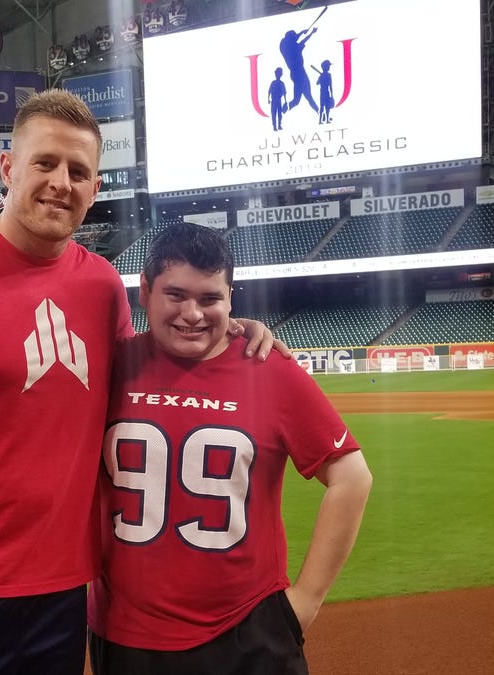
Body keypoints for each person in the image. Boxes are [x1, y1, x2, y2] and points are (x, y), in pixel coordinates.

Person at [0, 90, 280, 675]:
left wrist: (229, 330)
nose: (61, 182)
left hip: (62, 593)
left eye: (79, 171)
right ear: (10, 168)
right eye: (45, 163)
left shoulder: (100, 286)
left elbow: (149, 384)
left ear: (95, 188)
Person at [88, 223, 373, 675]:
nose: (192, 314)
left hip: (248, 632)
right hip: (127, 635)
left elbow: (351, 477)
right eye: (176, 295)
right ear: (144, 290)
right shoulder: (110, 364)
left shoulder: (265, 366)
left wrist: (305, 602)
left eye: (209, 299)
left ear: (230, 298)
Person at [268, 67, 287, 131]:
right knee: (274, 113)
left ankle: (279, 125)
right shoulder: (273, 83)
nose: (278, 75)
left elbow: (284, 93)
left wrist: (285, 101)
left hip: (279, 100)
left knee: (279, 114)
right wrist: (268, 99)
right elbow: (269, 91)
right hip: (274, 100)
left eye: (279, 73)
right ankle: (274, 126)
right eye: (277, 73)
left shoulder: (282, 83)